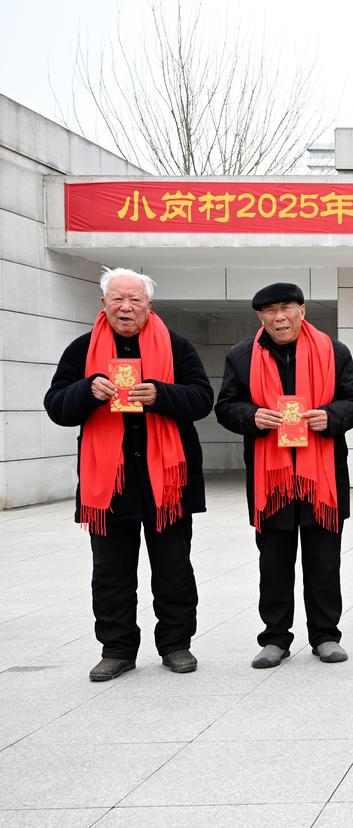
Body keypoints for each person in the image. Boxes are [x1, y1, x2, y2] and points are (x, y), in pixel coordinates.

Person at [44, 268, 212, 681]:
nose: (126, 307)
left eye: (135, 299)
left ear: (149, 305)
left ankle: (176, 644)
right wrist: (86, 390)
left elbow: (202, 399)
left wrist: (160, 394)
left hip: (167, 482)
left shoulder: (176, 346)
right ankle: (117, 649)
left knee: (174, 569)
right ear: (103, 303)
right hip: (109, 484)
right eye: (118, 299)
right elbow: (56, 406)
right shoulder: (82, 349)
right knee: (111, 573)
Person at [215, 283, 353, 668]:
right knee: (274, 563)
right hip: (271, 480)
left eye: (286, 308)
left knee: (324, 562)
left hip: (323, 479)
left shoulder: (334, 351)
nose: (279, 317)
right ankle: (274, 638)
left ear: (302, 310)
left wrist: (330, 416)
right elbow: (226, 406)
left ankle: (326, 636)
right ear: (260, 316)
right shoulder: (242, 355)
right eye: (270, 311)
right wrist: (251, 416)